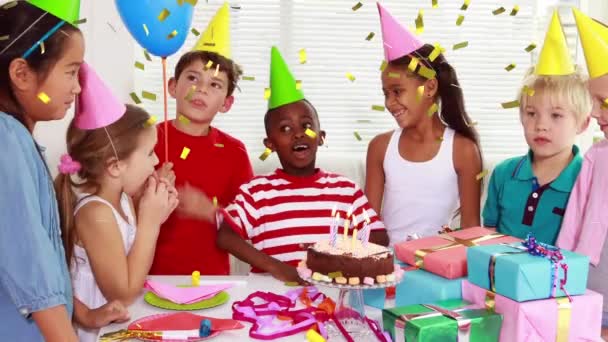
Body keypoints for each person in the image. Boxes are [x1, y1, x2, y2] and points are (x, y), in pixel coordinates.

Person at [366, 3, 482, 245]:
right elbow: (370, 226)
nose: (389, 102)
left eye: (397, 91)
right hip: (387, 267)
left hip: (437, 269)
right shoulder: (379, 147)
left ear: (429, 87)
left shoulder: (462, 150)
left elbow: (472, 230)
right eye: (385, 93)